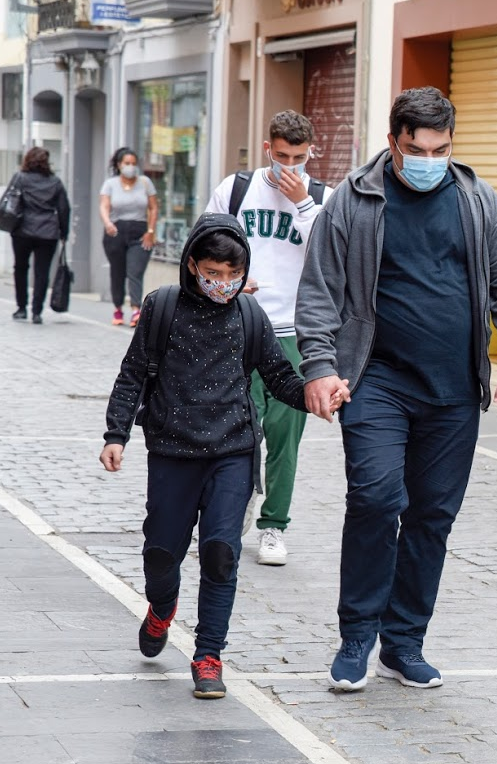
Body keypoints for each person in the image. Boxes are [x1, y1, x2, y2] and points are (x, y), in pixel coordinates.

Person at [296, 87, 497, 693]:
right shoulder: (354, 200)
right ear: (393, 142)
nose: (429, 160)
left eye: (440, 149)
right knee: (377, 499)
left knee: (432, 517)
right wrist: (319, 365)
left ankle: (403, 643)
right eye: (416, 149)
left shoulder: (477, 200)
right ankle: (357, 635)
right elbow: (320, 289)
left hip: (454, 390)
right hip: (375, 381)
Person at [99, 212, 346, 700]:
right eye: (214, 273)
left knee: (220, 553)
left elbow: (279, 376)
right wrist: (115, 434)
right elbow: (133, 374)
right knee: (161, 554)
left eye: (234, 274)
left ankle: (208, 655)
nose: (224, 283)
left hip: (233, 452)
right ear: (192, 265)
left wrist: (314, 394)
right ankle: (162, 608)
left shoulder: (250, 314)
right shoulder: (161, 307)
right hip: (171, 452)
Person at [206, 110, 332, 566]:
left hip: (295, 335)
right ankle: (234, 508)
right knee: (235, 430)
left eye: (298, 158)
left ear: (311, 152)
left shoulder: (323, 198)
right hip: (239, 326)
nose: (290, 166)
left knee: (284, 436)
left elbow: (333, 256)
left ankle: (274, 525)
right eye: (282, 156)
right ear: (268, 150)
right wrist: (231, 282)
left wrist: (303, 204)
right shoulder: (237, 189)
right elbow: (204, 245)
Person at [8, 147, 69, 325]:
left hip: (22, 230)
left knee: (20, 268)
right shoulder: (55, 182)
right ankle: (37, 311)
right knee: (42, 272)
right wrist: (63, 232)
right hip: (47, 232)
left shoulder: (20, 178)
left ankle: (21, 308)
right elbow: (64, 209)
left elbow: (9, 200)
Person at [99, 147, 159, 327]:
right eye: (127, 163)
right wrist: (107, 223)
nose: (131, 167)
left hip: (140, 232)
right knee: (117, 271)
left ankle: (136, 309)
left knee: (135, 271)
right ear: (119, 165)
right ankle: (118, 308)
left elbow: (154, 208)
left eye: (133, 163)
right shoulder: (110, 184)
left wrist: (150, 231)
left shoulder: (145, 182)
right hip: (115, 232)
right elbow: (104, 206)